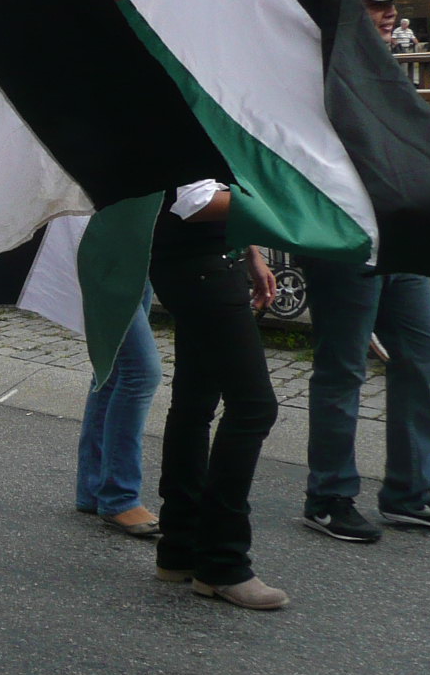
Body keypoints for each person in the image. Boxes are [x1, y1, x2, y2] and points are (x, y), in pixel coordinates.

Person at [297, 0, 430, 543]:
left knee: (423, 350)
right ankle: (328, 496)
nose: (391, 12)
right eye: (377, 4)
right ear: (348, 9)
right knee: (343, 366)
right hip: (347, 235)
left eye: (390, 4)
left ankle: (408, 491)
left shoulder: (375, 64)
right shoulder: (320, 67)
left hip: (394, 235)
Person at [149, 180, 285, 610]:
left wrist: (252, 254)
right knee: (253, 406)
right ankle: (222, 563)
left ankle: (180, 548)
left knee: (194, 403)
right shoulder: (197, 113)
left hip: (201, 262)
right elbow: (196, 200)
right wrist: (285, 196)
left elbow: (220, 186)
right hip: (197, 266)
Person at [75, 283, 163, 538]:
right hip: (106, 258)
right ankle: (119, 497)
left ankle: (94, 488)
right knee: (141, 372)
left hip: (137, 262)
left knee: (113, 367)